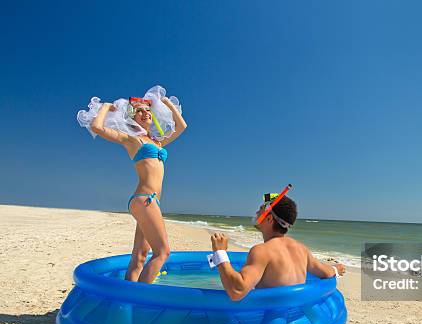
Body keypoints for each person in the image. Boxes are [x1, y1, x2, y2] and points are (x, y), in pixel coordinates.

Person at [77, 86, 187, 283]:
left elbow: (182, 127)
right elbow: (97, 128)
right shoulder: (132, 140)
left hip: (152, 203)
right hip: (144, 199)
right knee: (162, 252)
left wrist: (167, 104)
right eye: (139, 111)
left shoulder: (158, 143)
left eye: (148, 111)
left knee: (140, 257)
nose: (145, 113)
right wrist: (107, 107)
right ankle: (141, 299)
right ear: (132, 118)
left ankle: (126, 302)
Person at [209, 195, 345, 301]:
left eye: (260, 209)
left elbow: (237, 291)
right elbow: (325, 272)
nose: (256, 212)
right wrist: (335, 268)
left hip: (272, 320)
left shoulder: (262, 251)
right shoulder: (302, 249)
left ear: (268, 219)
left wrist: (220, 253)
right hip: (296, 313)